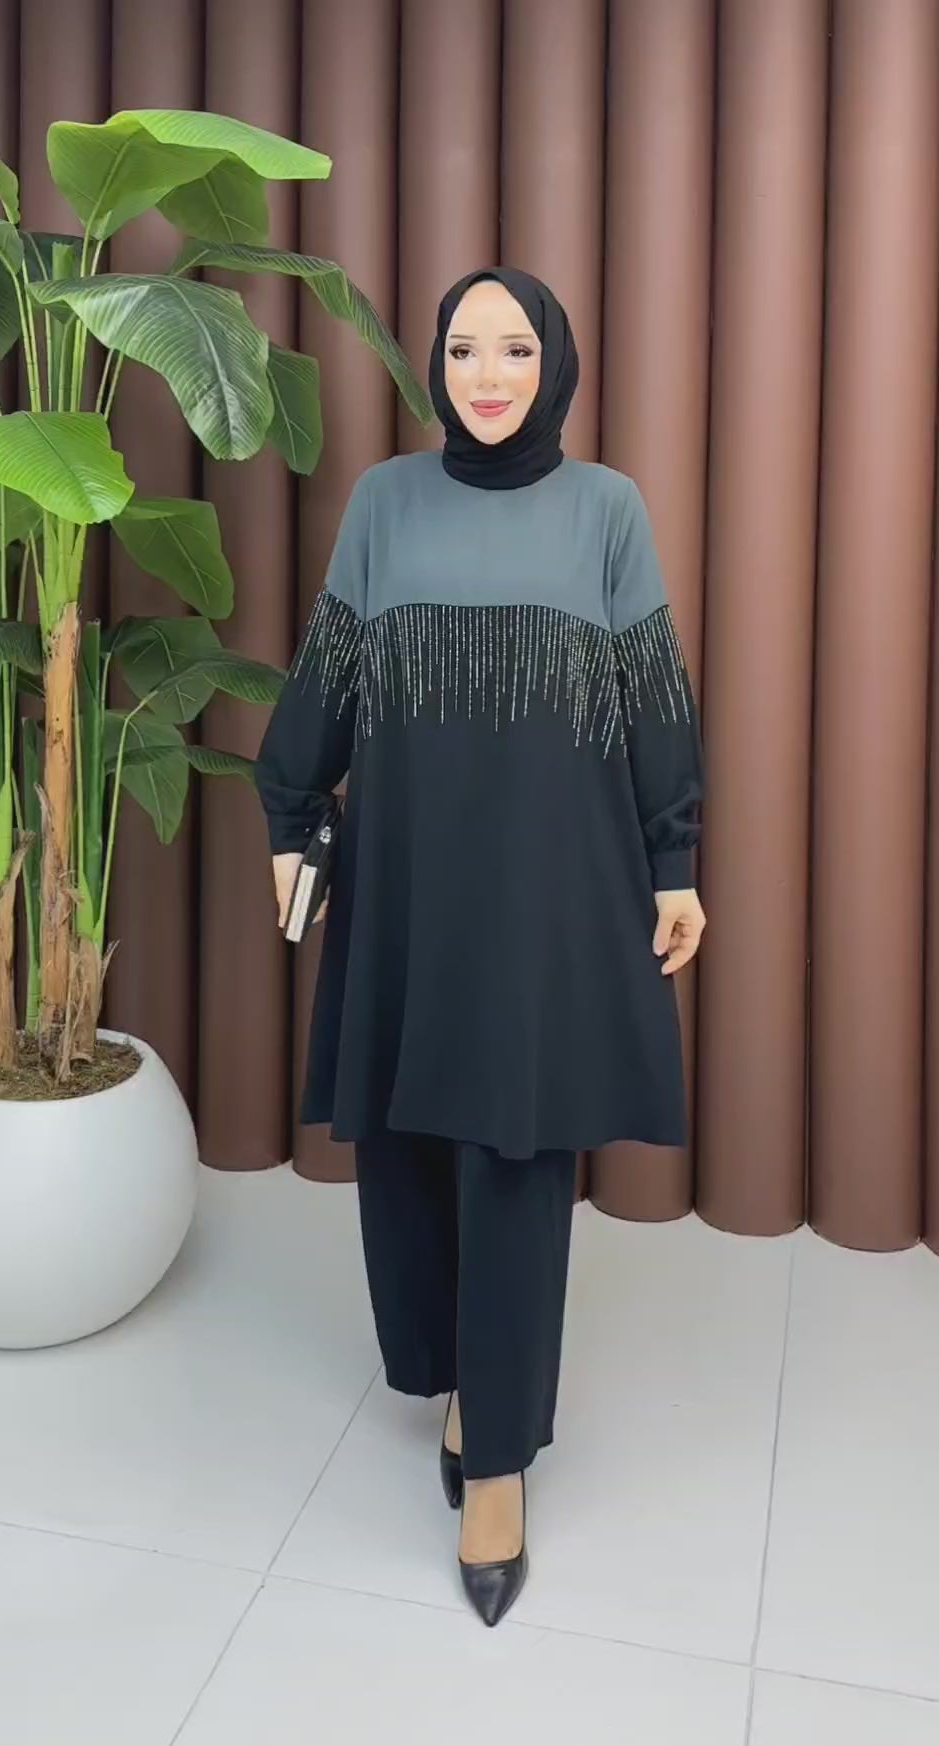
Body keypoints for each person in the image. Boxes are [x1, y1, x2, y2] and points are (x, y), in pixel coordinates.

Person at [254, 267, 704, 1627]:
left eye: (514, 349)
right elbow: (329, 671)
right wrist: (290, 815)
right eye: (463, 349)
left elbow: (653, 700)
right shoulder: (386, 504)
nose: (489, 374)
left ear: (554, 362)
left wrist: (674, 860)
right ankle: (454, 1380)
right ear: (437, 366)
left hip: (545, 898)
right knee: (403, 1144)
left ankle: (496, 1457)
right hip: (403, 885)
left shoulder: (606, 509)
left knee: (514, 1157)